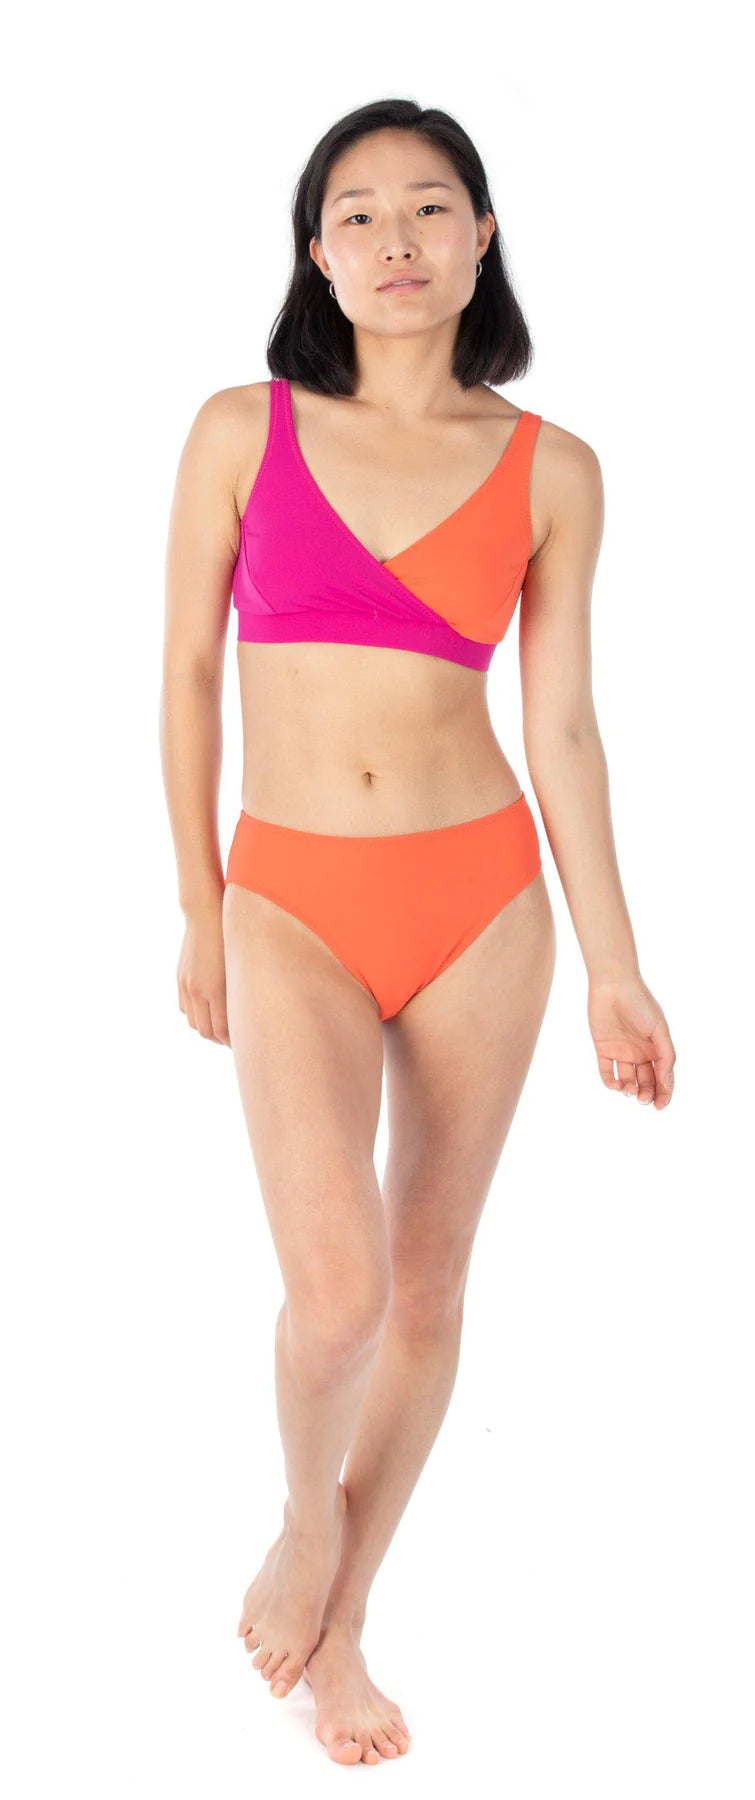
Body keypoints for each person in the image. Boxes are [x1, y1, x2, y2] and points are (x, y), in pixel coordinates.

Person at [160, 97, 676, 1768]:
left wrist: (616, 965)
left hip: (482, 904)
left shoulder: (551, 468)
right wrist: (199, 909)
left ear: (482, 237)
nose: (397, 239)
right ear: (316, 253)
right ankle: (304, 1519)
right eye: (361, 213)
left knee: (431, 1291)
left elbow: (567, 729)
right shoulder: (240, 430)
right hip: (292, 900)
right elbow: (186, 679)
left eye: (431, 207)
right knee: (337, 1299)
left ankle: (346, 1615)